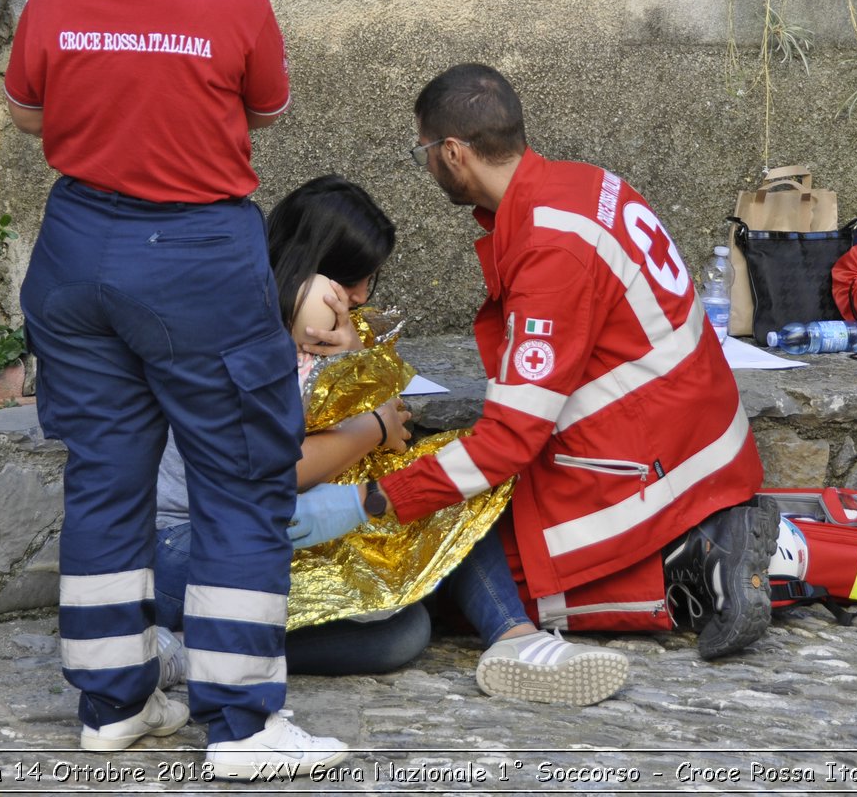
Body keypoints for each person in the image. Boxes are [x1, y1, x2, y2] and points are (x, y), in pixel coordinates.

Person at [3, 0, 345, 778]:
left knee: (106, 476)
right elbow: (265, 110)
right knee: (240, 478)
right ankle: (241, 723)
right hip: (196, 259)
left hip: (75, 253)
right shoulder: (232, 5)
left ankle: (114, 705)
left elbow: (28, 115)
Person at [290, 63, 781, 662]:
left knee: (462, 569)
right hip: (689, 435)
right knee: (463, 542)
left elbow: (507, 442)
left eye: (422, 150)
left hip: (647, 462)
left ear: (453, 152)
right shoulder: (582, 185)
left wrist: (368, 501)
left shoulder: (550, 249)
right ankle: (715, 552)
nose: (424, 165)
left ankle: (695, 568)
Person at [156, 175, 630, 705]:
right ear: (304, 265)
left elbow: (371, 423)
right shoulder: (239, 330)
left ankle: (515, 637)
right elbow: (268, 469)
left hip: (274, 523)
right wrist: (371, 429)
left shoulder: (322, 328)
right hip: (194, 545)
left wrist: (355, 358)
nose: (359, 295)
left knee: (435, 524)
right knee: (397, 635)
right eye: (350, 279)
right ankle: (182, 651)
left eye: (368, 280)